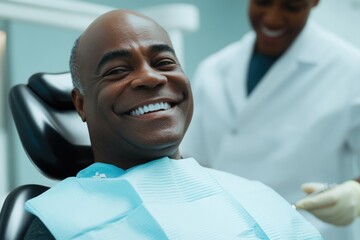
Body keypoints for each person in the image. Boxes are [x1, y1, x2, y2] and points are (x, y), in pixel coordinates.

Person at [23, 9, 323, 240]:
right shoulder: (57, 223)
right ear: (80, 104)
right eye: (116, 70)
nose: (151, 78)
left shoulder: (256, 195)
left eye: (164, 63)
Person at [180, 0, 360, 239]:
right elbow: (193, 164)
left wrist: (356, 192)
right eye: (263, 2)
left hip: (308, 231)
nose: (273, 19)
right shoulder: (213, 69)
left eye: (291, 6)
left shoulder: (350, 70)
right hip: (225, 230)